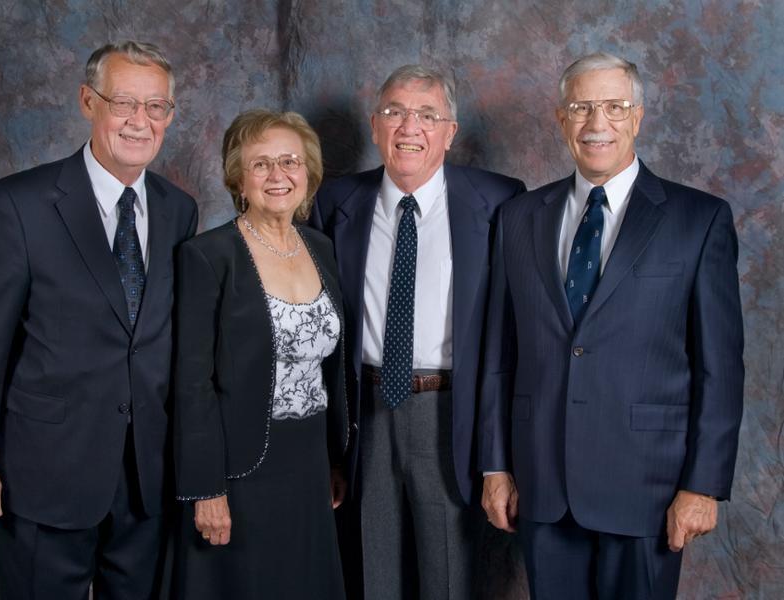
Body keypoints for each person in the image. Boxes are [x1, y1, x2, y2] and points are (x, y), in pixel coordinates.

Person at [479, 52, 744, 599]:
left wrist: (703, 485)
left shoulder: (699, 219)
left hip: (647, 486)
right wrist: (495, 466)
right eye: (581, 107)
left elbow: (721, 367)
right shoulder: (519, 218)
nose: (597, 123)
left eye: (615, 107)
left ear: (639, 117)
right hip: (542, 484)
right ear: (560, 118)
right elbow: (499, 356)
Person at [0, 41, 198, 598]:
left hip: (147, 479)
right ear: (88, 101)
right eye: (124, 103)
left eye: (156, 107)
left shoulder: (179, 210)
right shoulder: (19, 204)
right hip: (44, 474)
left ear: (170, 116)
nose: (140, 121)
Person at [311, 65, 526, 599]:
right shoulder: (336, 203)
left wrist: (500, 455)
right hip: (366, 407)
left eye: (427, 115)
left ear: (450, 132)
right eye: (395, 112)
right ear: (375, 126)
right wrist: (329, 447)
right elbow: (318, 338)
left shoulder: (501, 202)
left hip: (452, 414)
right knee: (371, 569)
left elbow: (510, 340)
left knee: (448, 575)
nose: (410, 127)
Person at [171, 109, 348, 599]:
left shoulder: (321, 248)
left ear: (308, 173)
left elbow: (327, 370)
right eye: (261, 164)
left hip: (310, 461)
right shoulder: (209, 255)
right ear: (237, 178)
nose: (278, 176)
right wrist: (206, 488)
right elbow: (192, 384)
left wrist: (335, 460)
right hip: (240, 465)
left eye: (290, 162)